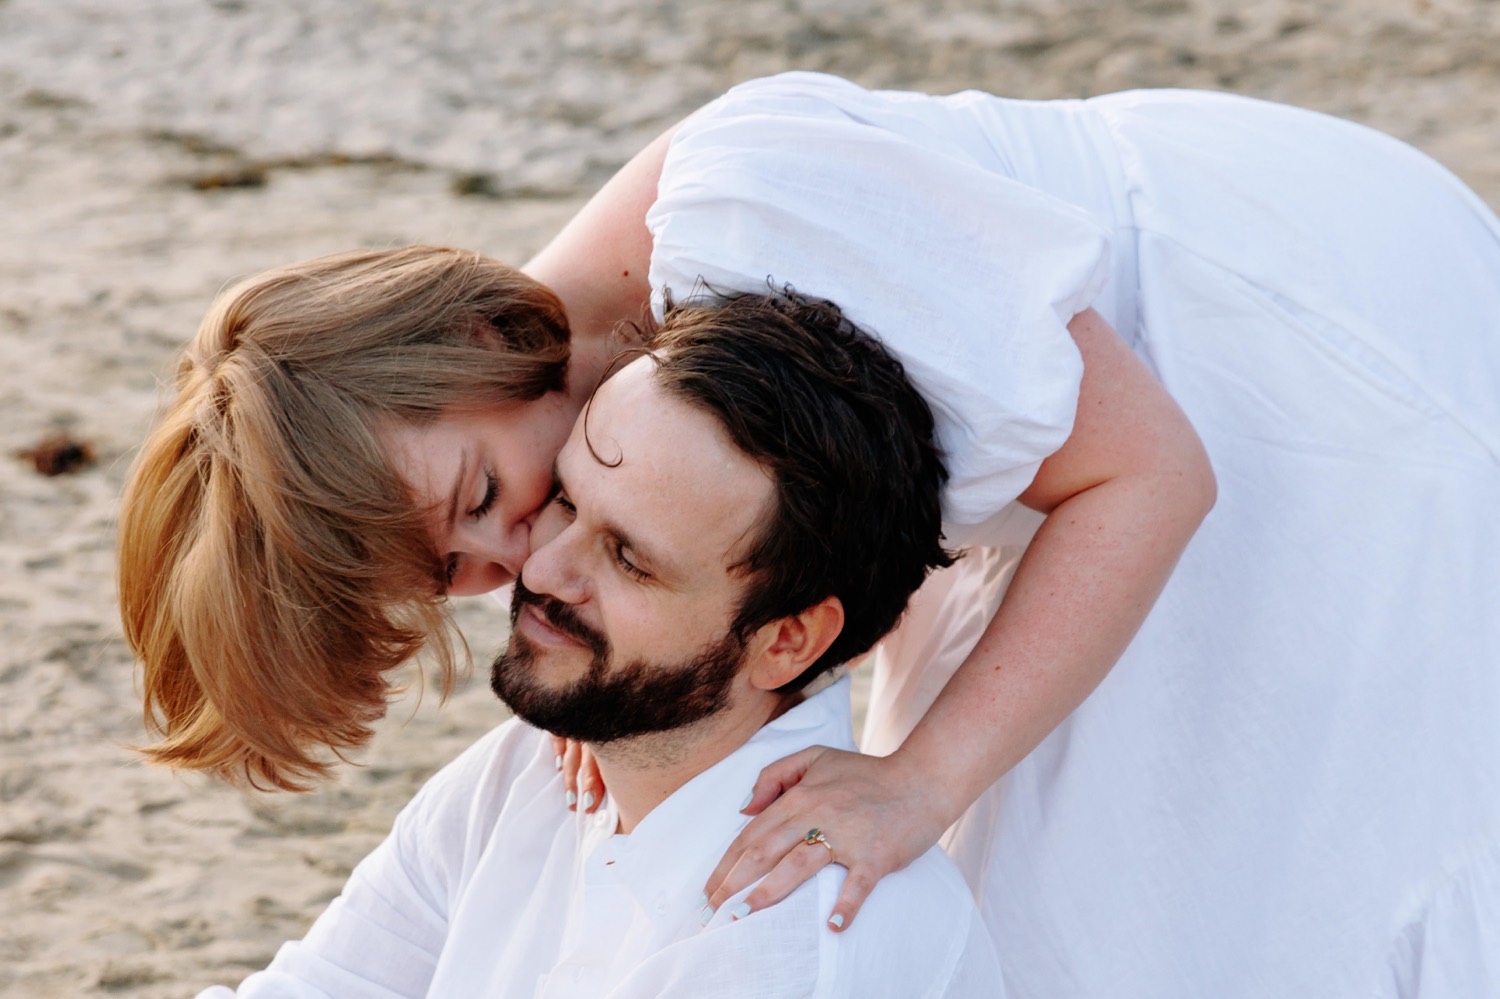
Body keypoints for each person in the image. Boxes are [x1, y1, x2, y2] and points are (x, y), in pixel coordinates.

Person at [120, 72, 1500, 997]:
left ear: (482, 337)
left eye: (487, 503)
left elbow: (1148, 477)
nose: (516, 560)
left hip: (1266, 374)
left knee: (1241, 857)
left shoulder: (755, 217)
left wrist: (924, 773)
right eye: (455, 571)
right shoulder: (561, 402)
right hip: (1060, 464)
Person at [195, 291, 1001, 998]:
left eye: (627, 559)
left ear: (786, 640)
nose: (540, 567)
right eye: (567, 500)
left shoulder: (798, 933)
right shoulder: (524, 774)